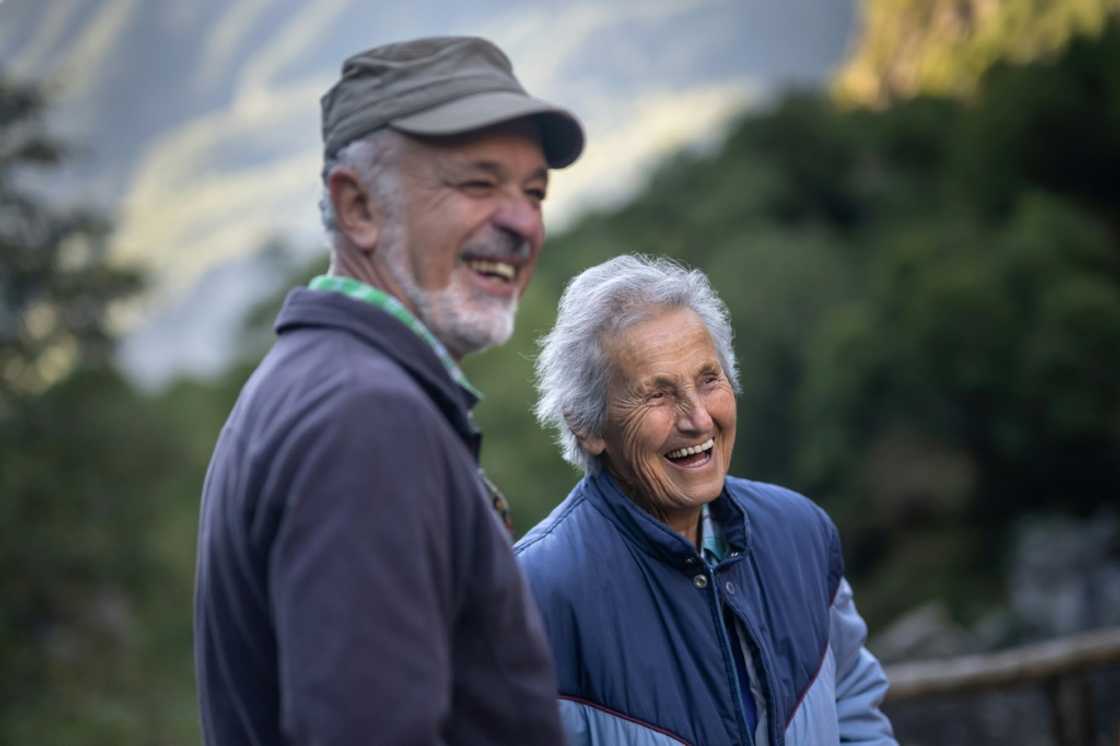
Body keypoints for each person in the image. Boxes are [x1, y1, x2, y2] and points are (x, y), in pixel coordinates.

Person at [194, 36, 583, 745]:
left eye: (534, 192)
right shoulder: (366, 418)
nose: (523, 222)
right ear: (359, 208)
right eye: (477, 183)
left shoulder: (315, 381)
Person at [517, 255, 897, 745]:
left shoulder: (800, 532)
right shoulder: (532, 595)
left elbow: (856, 717)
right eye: (658, 394)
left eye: (708, 379)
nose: (697, 418)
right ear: (586, 426)